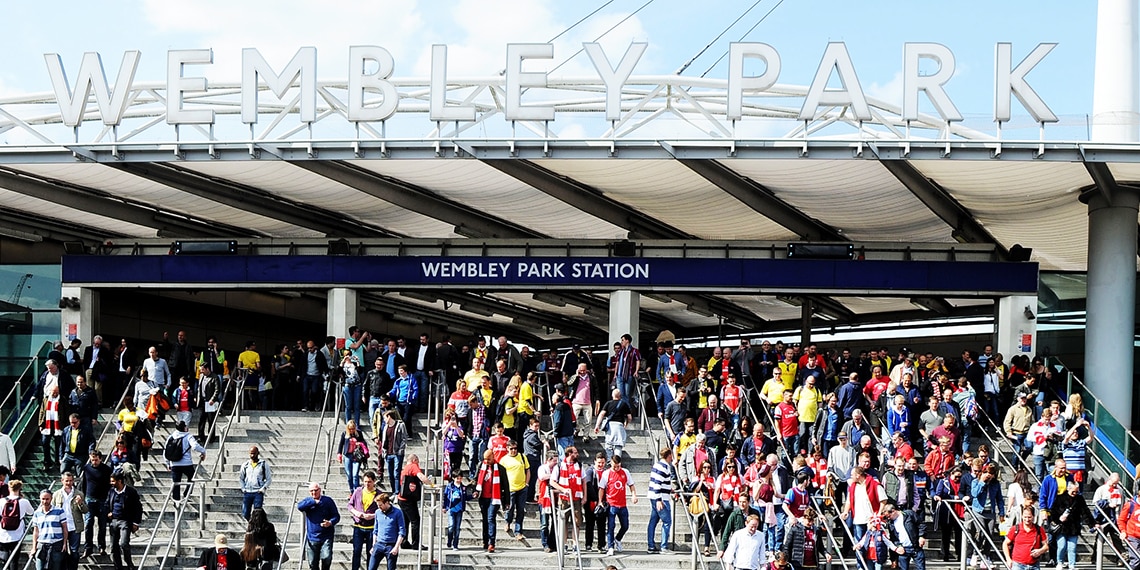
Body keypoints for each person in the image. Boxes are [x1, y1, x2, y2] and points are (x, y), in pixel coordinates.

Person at [599, 454, 637, 556]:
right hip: (612, 504)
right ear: (611, 464)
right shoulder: (607, 473)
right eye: (614, 466)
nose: (616, 468)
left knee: (625, 525)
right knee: (611, 526)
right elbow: (602, 488)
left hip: (622, 504)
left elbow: (631, 485)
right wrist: (600, 501)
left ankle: (618, 539)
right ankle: (610, 546)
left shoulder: (625, 472)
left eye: (618, 466)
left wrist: (633, 495)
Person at [297, 482, 340, 570]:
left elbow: (336, 516)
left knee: (326, 558)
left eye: (316, 490)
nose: (314, 493)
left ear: (320, 490)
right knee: (312, 563)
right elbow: (300, 506)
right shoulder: (308, 501)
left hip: (326, 536)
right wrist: (313, 502)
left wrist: (330, 522)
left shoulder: (328, 501)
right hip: (312, 537)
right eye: (311, 491)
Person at [107, 472, 141, 570]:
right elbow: (106, 504)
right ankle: (118, 566)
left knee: (124, 543)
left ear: (119, 481)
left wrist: (135, 522)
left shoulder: (131, 492)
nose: (111, 483)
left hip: (125, 521)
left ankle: (129, 563)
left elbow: (138, 508)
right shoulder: (111, 491)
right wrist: (108, 513)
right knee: (113, 546)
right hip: (114, 521)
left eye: (113, 481)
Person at [79, 451, 111, 558]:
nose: (94, 462)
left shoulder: (106, 469)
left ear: (100, 459)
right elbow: (83, 484)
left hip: (102, 500)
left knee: (102, 525)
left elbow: (110, 486)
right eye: (92, 460)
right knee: (88, 524)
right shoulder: (87, 468)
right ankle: (88, 547)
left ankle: (102, 546)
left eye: (96, 459)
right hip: (89, 499)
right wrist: (83, 497)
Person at [51, 472, 85, 570]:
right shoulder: (57, 494)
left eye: (70, 481)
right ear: (62, 481)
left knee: (74, 552)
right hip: (61, 527)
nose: (68, 483)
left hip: (74, 526)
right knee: (62, 551)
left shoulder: (79, 494)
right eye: (66, 481)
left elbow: (85, 510)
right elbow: (52, 509)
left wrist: (80, 503)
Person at [647, 447, 678, 554]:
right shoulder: (664, 467)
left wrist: (669, 489)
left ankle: (651, 546)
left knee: (653, 521)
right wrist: (659, 499)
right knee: (667, 522)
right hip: (661, 498)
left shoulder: (657, 464)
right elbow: (657, 484)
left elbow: (660, 482)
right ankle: (664, 546)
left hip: (654, 496)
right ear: (669, 455)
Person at [165, 421, 206, 501]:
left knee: (176, 483)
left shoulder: (171, 437)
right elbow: (195, 446)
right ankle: (187, 494)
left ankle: (176, 501)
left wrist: (168, 463)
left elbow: (166, 451)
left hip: (174, 464)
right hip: (186, 464)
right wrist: (203, 451)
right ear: (184, 428)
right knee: (192, 477)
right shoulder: (188, 436)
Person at [473, 449, 505, 552]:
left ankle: (492, 543)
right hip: (483, 497)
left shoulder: (500, 468)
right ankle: (485, 541)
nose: (486, 461)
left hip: (494, 498)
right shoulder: (480, 466)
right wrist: (475, 491)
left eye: (488, 459)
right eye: (485, 459)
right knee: (485, 520)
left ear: (493, 456)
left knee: (491, 518)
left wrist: (507, 501)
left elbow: (506, 485)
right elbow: (476, 479)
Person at [348, 471, 380, 570]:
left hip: (371, 528)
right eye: (365, 481)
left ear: (374, 481)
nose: (367, 484)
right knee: (356, 551)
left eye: (369, 482)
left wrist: (373, 515)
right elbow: (350, 505)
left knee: (370, 552)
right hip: (358, 526)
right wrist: (356, 513)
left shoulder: (379, 494)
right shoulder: (358, 491)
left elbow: (384, 510)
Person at [31, 489, 69, 570]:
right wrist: (34, 547)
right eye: (43, 499)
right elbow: (36, 531)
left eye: (47, 499)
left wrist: (65, 543)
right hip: (42, 544)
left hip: (56, 544)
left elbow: (64, 528)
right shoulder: (36, 513)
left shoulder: (59, 511)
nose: (45, 501)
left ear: (51, 499)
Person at [500, 441, 530, 540]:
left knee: (520, 510)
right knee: (510, 508)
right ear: (507, 448)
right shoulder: (503, 460)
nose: (514, 450)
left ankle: (518, 531)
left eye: (515, 448)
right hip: (510, 489)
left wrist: (527, 483)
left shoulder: (522, 457)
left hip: (522, 488)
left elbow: (527, 470)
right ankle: (508, 521)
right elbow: (501, 475)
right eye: (511, 448)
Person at [397, 455, 428, 550]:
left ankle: (404, 541)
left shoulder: (405, 469)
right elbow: (421, 476)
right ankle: (416, 543)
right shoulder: (413, 466)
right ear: (414, 460)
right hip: (409, 500)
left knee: (405, 521)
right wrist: (429, 482)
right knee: (415, 521)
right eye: (417, 461)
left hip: (401, 498)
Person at [0, 481, 33, 568]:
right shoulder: (24, 501)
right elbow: (31, 512)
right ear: (20, 489)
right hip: (17, 534)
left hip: (3, 533)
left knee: (5, 557)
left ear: (9, 489)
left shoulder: (1, 501)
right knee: (14, 559)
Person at [1004, 505, 1049, 570]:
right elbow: (1005, 544)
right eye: (1025, 517)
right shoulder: (1015, 529)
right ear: (1022, 516)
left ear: (1033, 517)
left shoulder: (1039, 529)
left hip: (1034, 565)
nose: (1027, 520)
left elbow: (1046, 546)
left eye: (1029, 517)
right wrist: (1008, 559)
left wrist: (1040, 551)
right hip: (1018, 565)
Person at [368, 493, 405, 570]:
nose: (379, 507)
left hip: (391, 545)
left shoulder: (398, 512)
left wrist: (396, 547)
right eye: (378, 505)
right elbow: (375, 530)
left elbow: (402, 531)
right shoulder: (377, 512)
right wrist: (373, 545)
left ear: (387, 502)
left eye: (380, 505)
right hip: (379, 544)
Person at [594, 388, 631, 460]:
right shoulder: (624, 404)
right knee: (618, 445)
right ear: (620, 395)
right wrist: (626, 424)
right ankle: (617, 461)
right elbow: (629, 417)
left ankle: (609, 461)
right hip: (619, 426)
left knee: (608, 444)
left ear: (612, 395)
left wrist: (597, 426)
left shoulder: (608, 403)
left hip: (610, 426)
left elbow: (601, 414)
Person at [239, 446, 273, 521]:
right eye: (251, 454)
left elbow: (269, 479)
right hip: (247, 492)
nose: (252, 456)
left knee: (257, 513)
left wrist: (262, 489)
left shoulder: (263, 464)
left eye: (254, 454)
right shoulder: (245, 465)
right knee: (245, 513)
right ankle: (252, 525)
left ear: (258, 453)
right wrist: (243, 488)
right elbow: (241, 478)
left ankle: (256, 528)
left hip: (258, 492)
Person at [443, 475, 473, 550]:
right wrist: (444, 507)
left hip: (459, 509)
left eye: (460, 478)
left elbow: (465, 497)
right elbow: (445, 496)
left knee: (457, 528)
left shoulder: (463, 487)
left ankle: (455, 544)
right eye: (457, 478)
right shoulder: (450, 487)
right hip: (451, 509)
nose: (459, 480)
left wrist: (472, 496)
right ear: (454, 478)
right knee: (451, 526)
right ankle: (449, 540)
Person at [338, 421, 369, 491]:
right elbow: (341, 444)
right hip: (347, 455)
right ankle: (351, 490)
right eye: (350, 429)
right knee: (349, 475)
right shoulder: (344, 434)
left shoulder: (359, 433)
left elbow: (364, 442)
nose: (351, 430)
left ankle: (356, 491)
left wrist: (360, 443)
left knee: (355, 475)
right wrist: (339, 453)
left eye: (353, 428)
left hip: (356, 456)